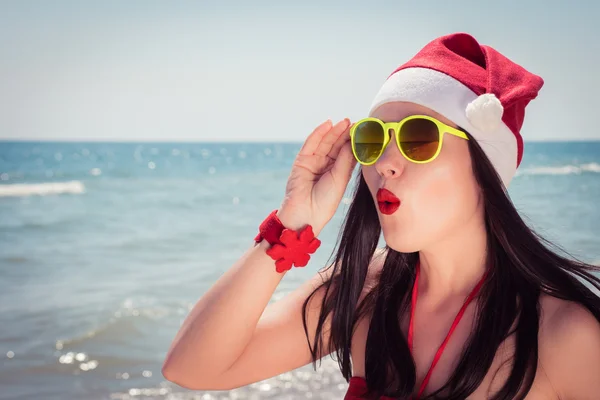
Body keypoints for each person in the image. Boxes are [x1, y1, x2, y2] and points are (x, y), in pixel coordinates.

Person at [161, 33, 600, 399]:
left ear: (485, 169)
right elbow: (192, 368)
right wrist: (293, 227)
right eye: (373, 139)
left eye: (419, 137)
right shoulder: (363, 293)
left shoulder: (561, 335)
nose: (385, 162)